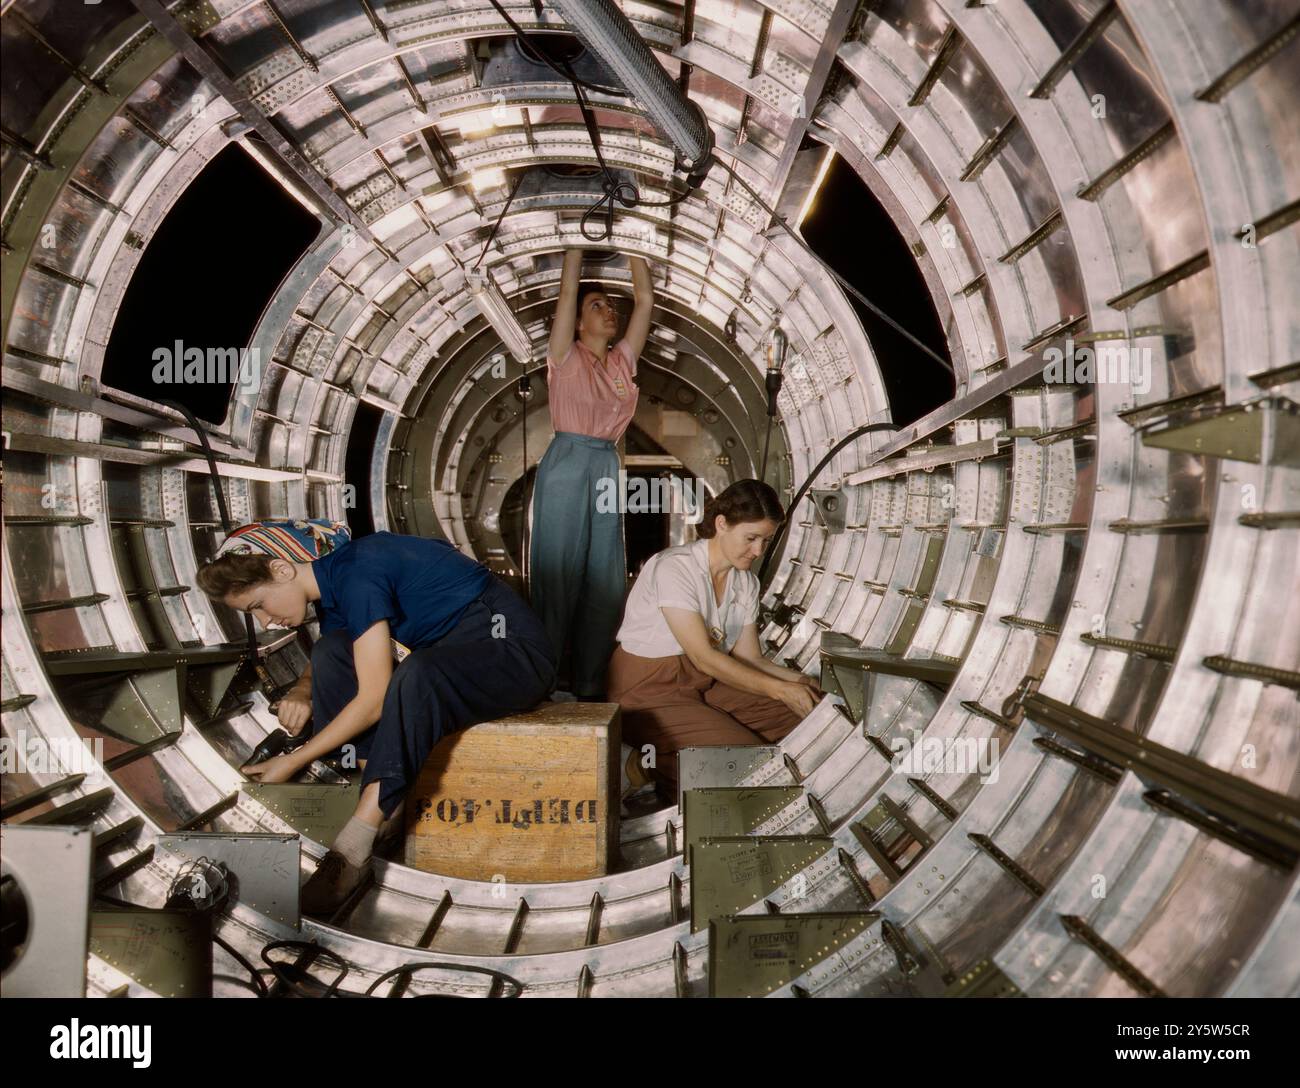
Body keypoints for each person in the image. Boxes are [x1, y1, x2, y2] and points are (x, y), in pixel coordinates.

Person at [195, 519, 556, 914]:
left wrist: (296, 759)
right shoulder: (334, 584)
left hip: (513, 655)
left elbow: (375, 699)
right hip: (446, 658)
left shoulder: (361, 572)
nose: (265, 622)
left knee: (419, 674)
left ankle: (354, 846)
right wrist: (302, 689)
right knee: (332, 650)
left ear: (282, 569)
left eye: (258, 606)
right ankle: (385, 801)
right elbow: (346, 652)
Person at [606, 480, 822, 794]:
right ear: (721, 524)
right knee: (749, 763)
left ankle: (676, 754)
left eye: (766, 540)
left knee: (805, 717)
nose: (758, 551)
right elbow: (704, 657)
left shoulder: (744, 582)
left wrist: (799, 682)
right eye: (751, 538)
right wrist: (780, 690)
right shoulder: (674, 568)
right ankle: (642, 764)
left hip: (704, 683)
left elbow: (749, 658)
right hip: (647, 689)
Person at [529, 248, 654, 700]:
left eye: (608, 304)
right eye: (596, 306)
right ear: (579, 324)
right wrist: (577, 245)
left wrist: (637, 243)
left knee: (605, 576)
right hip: (567, 461)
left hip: (605, 463)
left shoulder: (621, 363)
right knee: (557, 573)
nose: (608, 310)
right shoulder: (565, 354)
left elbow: (644, 300)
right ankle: (542, 680)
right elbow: (566, 291)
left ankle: (589, 683)